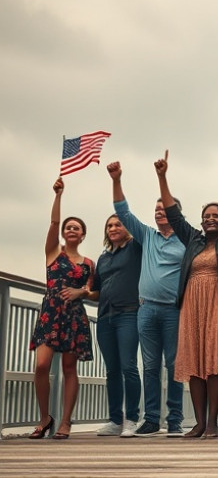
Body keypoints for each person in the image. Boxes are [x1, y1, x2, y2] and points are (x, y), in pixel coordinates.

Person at [156, 150, 218, 438]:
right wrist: (162, 177)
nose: (210, 219)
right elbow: (173, 213)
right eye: (206, 216)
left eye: (216, 215)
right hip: (192, 304)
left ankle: (212, 422)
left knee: (215, 362)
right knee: (195, 362)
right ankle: (198, 422)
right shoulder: (193, 239)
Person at [110, 161, 186, 437]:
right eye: (155, 210)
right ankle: (152, 419)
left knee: (176, 366)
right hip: (147, 309)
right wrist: (117, 179)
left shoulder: (186, 239)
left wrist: (162, 176)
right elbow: (123, 211)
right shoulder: (147, 236)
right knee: (151, 366)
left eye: (164, 209)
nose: (158, 213)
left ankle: (175, 419)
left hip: (175, 311)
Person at [29, 177, 94, 440]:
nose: (71, 230)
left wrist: (83, 291)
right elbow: (54, 223)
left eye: (76, 228)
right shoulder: (54, 252)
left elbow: (94, 290)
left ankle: (66, 422)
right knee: (42, 365)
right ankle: (45, 418)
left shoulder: (89, 262)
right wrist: (58, 194)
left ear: (83, 234)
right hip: (50, 314)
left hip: (74, 317)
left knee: (69, 369)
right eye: (69, 227)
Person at [90, 214, 142, 438]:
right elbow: (97, 290)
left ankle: (131, 418)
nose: (113, 228)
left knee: (128, 366)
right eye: (109, 225)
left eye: (117, 224)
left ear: (126, 227)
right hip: (104, 317)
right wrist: (81, 293)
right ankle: (114, 419)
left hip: (128, 313)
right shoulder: (103, 258)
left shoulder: (135, 248)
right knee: (111, 370)